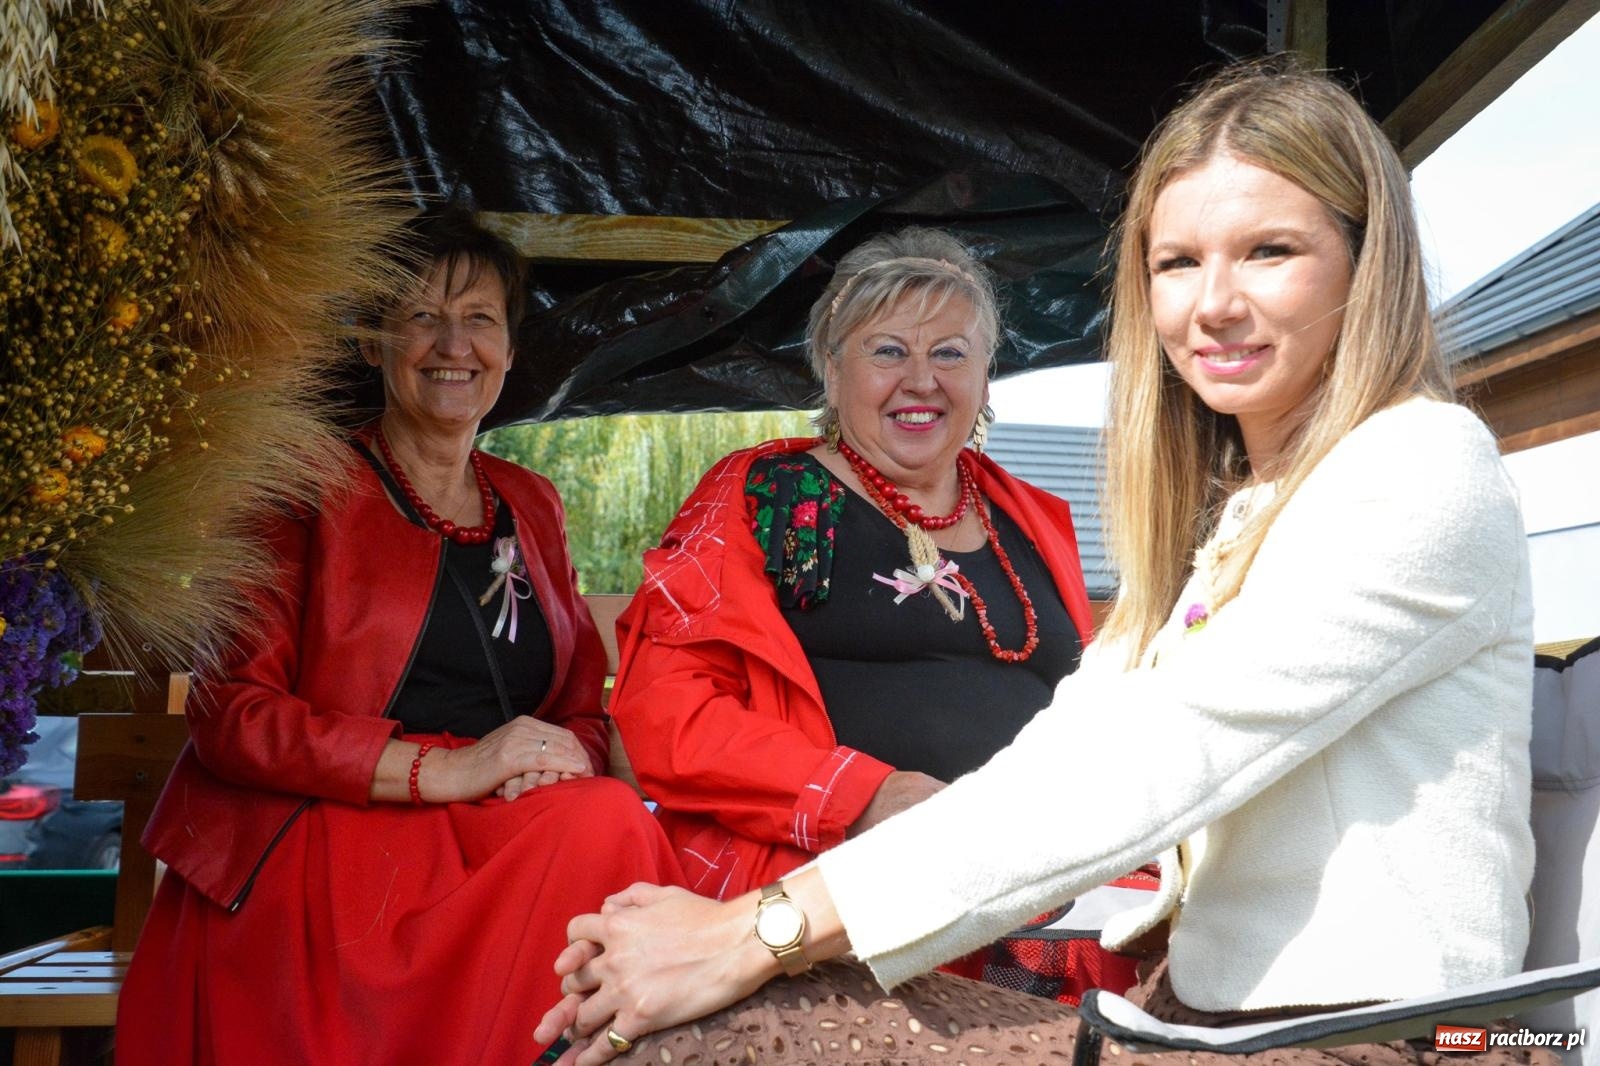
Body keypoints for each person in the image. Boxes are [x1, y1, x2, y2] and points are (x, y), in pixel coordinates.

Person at [534, 62, 1550, 1066]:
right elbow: (1086, 733)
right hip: (981, 905)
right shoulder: (767, 494)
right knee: (685, 1008)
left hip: (1359, 1032)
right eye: (1177, 261)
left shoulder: (1417, 469)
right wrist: (824, 845)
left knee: (719, 1025)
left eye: (1269, 250)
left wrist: (760, 934)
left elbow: (1154, 757)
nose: (1215, 303)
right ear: (828, 366)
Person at [116, 209, 683, 1066]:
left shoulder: (532, 503)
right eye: (421, 315)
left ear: (509, 346)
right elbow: (233, 715)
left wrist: (543, 758)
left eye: (480, 319)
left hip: (497, 832)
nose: (453, 343)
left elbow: (579, 709)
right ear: (373, 339)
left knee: (609, 823)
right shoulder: (296, 490)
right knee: (606, 830)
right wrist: (451, 768)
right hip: (333, 835)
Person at [606, 226, 1149, 1004]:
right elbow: (670, 711)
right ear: (831, 370)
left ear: (988, 375)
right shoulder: (768, 497)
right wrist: (866, 795)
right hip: (846, 888)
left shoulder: (1031, 516)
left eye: (952, 354)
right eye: (888, 351)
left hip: (1048, 880)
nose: (921, 380)